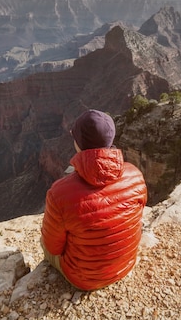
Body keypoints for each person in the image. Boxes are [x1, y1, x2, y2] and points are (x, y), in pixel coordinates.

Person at [41, 109, 147, 291]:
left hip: (84, 279)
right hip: (125, 265)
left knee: (45, 240)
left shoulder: (59, 193)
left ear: (78, 143)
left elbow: (53, 247)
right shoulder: (135, 176)